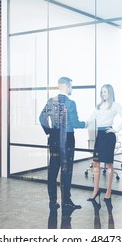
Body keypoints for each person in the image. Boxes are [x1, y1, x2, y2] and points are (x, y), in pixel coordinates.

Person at [39, 77, 86, 211]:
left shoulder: (51, 101)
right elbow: (76, 123)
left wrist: (49, 131)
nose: (72, 89)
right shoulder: (70, 103)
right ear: (66, 87)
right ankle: (66, 201)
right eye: (71, 86)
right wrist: (86, 124)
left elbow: (41, 118)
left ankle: (53, 201)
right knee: (66, 171)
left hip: (54, 139)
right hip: (67, 140)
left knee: (52, 171)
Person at [86, 84, 122, 205]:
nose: (103, 94)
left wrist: (116, 129)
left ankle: (108, 192)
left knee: (109, 164)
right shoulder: (99, 106)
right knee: (96, 162)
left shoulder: (115, 105)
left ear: (110, 93)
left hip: (108, 135)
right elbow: (91, 118)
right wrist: (83, 124)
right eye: (102, 92)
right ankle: (95, 190)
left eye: (105, 92)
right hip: (99, 135)